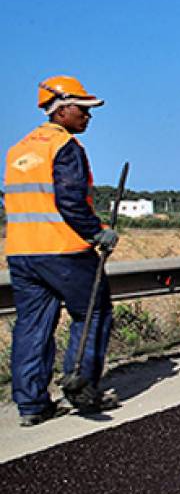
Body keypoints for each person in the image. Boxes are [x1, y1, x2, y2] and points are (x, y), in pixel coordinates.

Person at [4, 76, 120, 426]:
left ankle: (31, 404)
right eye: (82, 109)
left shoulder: (18, 149)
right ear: (61, 109)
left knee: (31, 326)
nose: (88, 116)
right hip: (63, 250)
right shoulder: (65, 146)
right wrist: (98, 233)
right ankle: (81, 388)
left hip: (22, 253)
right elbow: (70, 200)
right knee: (94, 312)